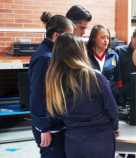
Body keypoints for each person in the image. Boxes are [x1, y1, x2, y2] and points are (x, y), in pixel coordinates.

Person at [45, 33, 118, 158]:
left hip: (73, 141)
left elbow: (55, 114)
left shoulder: (54, 80)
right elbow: (111, 108)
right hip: (100, 138)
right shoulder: (95, 76)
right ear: (80, 52)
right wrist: (115, 127)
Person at [29, 12, 73, 158]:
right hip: (49, 128)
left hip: (56, 124)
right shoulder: (45, 58)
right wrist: (44, 128)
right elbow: (37, 95)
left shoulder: (53, 54)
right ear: (57, 36)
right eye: (69, 37)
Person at [86, 24, 120, 103]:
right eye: (102, 37)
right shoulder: (85, 55)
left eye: (107, 38)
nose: (106, 40)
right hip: (91, 98)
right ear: (94, 38)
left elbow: (118, 78)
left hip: (110, 96)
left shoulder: (113, 55)